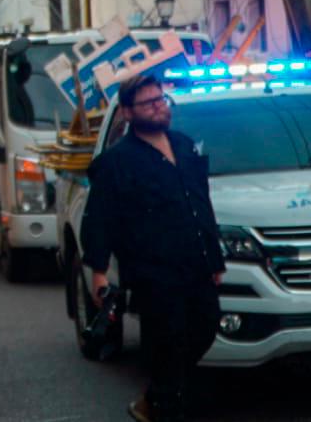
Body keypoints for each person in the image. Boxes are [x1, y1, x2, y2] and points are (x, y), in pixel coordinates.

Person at [83, 71, 224, 422]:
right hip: (153, 272)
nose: (158, 108)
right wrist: (98, 272)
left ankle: (159, 394)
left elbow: (201, 206)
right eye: (148, 103)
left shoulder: (184, 145)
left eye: (160, 100)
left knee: (205, 327)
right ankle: (163, 403)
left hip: (196, 265)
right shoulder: (117, 162)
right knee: (167, 339)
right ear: (128, 113)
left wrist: (215, 259)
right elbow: (100, 218)